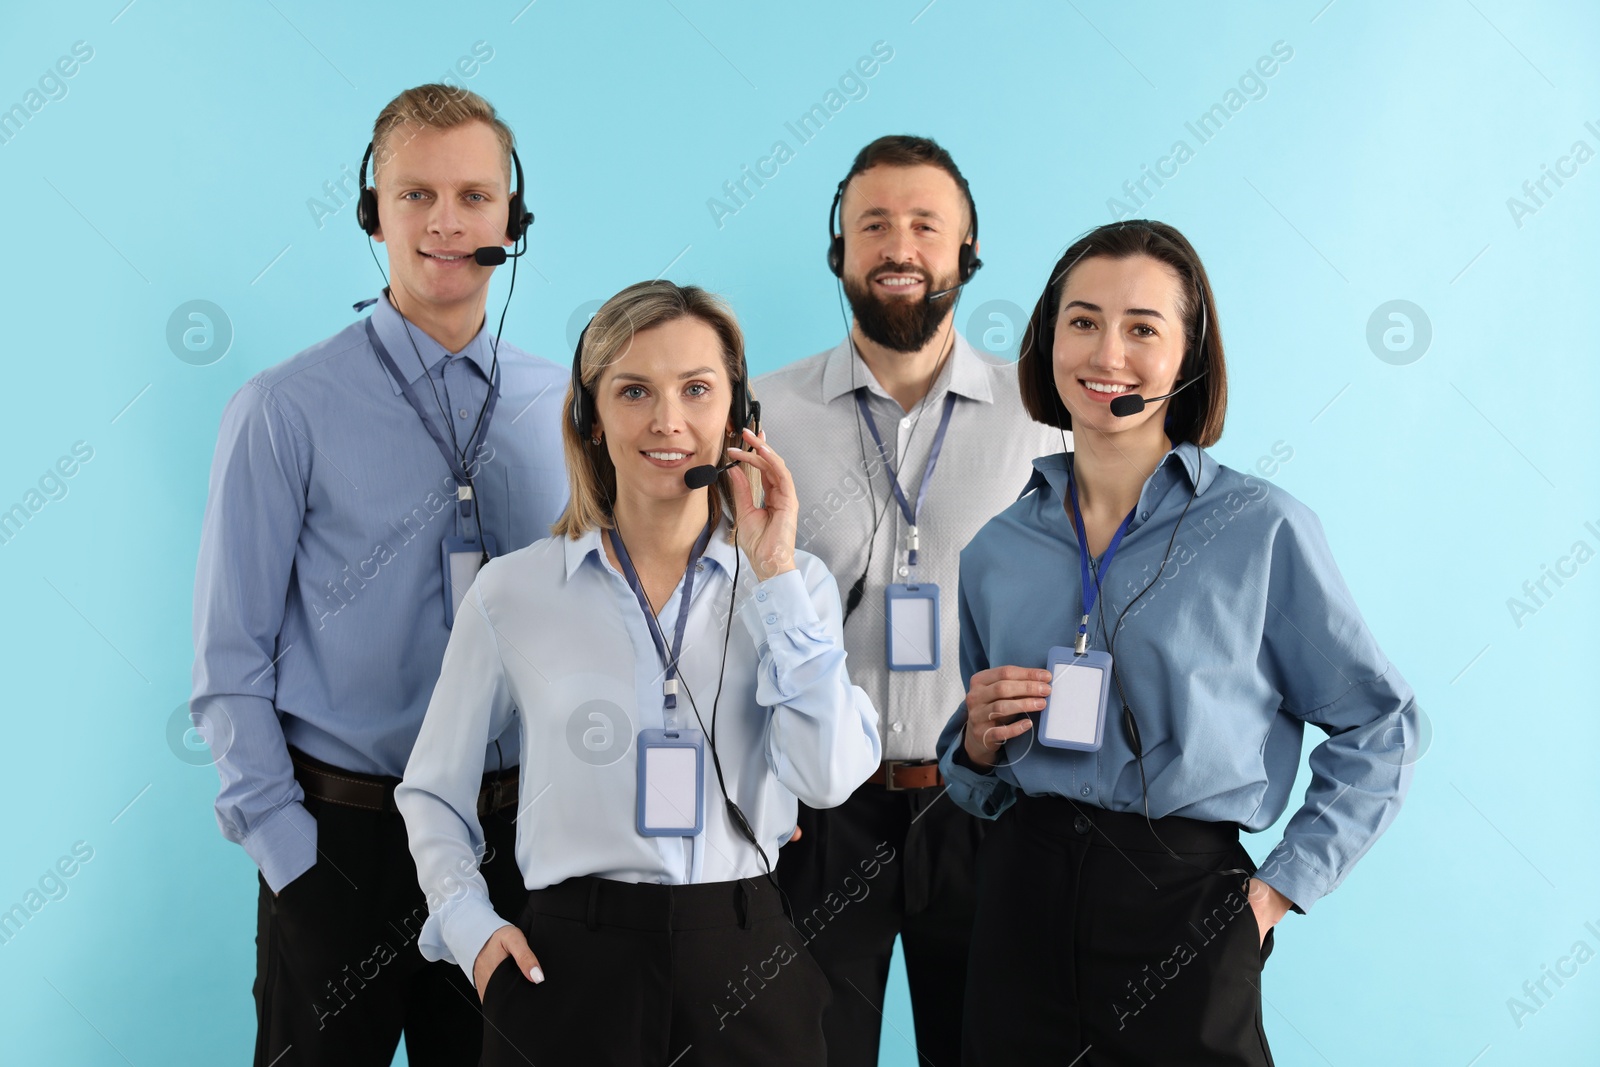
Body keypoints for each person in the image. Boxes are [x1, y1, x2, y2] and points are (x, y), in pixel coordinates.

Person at [935, 219, 1420, 1064]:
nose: (1106, 352)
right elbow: (981, 775)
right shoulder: (995, 548)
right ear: (1048, 338)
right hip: (1020, 899)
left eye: (1142, 328)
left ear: (1190, 356)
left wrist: (1273, 895)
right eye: (1081, 321)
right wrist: (973, 748)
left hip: (1182, 903)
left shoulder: (1260, 529)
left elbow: (1383, 725)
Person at [395, 280, 882, 1066]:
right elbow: (432, 791)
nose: (668, 420)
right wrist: (473, 932)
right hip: (568, 968)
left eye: (696, 389)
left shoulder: (795, 587)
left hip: (746, 953)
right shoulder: (514, 592)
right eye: (633, 390)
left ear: (740, 415)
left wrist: (778, 572)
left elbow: (826, 778)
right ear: (590, 418)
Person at [190, 84, 568, 1066]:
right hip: (340, 848)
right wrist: (293, 867)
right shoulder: (283, 409)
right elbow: (229, 660)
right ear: (373, 214)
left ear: (512, 220)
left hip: (511, 850)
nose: (447, 220)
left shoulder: (570, 404)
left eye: (476, 196)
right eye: (416, 195)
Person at [758, 135, 1060, 1066]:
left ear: (967, 252)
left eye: (927, 224)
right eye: (874, 224)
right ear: (839, 250)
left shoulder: (1040, 414)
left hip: (985, 807)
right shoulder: (762, 412)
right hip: (820, 815)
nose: (900, 245)